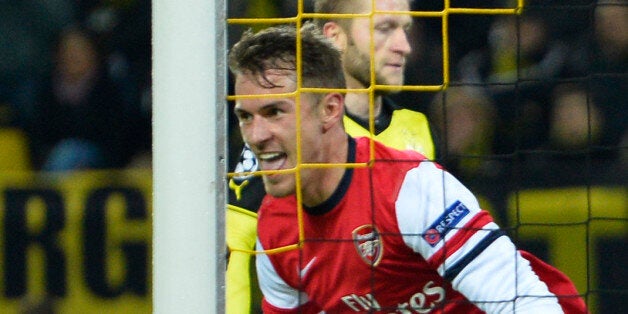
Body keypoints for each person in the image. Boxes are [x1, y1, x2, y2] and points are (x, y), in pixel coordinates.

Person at [228, 23, 587, 313]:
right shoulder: (275, 230)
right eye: (246, 117)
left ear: (330, 110)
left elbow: (523, 301)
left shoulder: (409, 188)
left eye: (275, 112)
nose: (256, 135)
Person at [226, 1, 436, 312]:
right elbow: (235, 246)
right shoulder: (290, 138)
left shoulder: (416, 127)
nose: (403, 46)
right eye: (383, 29)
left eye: (404, 29)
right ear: (335, 37)